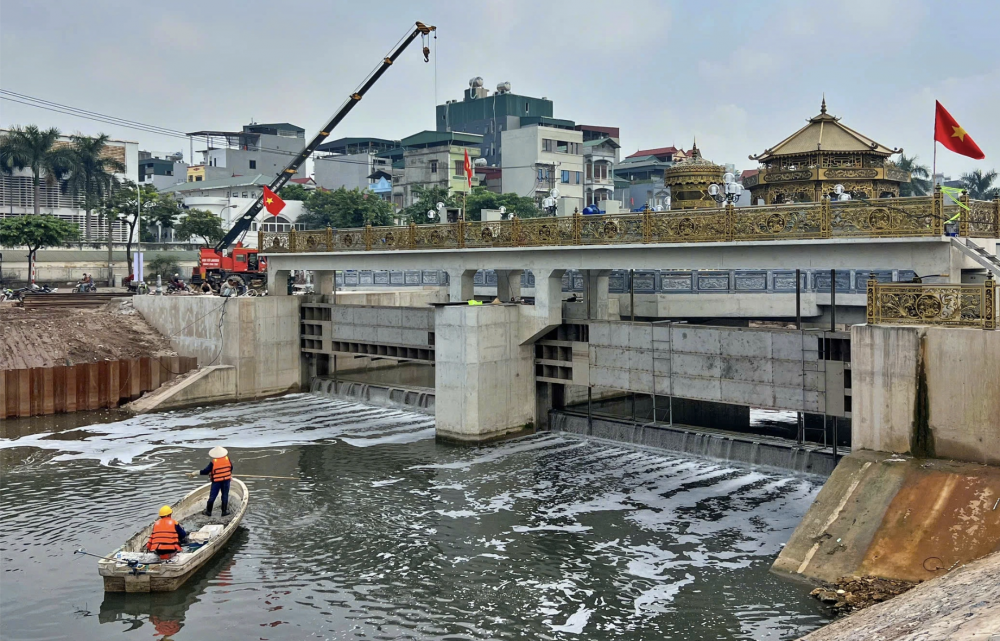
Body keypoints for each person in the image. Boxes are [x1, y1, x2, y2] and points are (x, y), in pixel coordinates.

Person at [196, 446, 233, 516]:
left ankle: (208, 512)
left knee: (212, 496)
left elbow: (206, 471)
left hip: (217, 481)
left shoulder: (213, 462)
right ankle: (224, 511)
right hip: (226, 480)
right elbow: (231, 468)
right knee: (225, 495)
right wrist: (228, 475)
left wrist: (197, 472)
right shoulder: (227, 459)